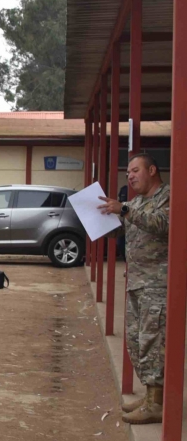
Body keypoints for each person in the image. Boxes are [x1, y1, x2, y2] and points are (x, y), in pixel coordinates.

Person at [98, 153, 169, 425]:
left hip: (158, 284)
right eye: (128, 172)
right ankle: (152, 396)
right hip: (136, 282)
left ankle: (157, 403)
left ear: (152, 170)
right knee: (136, 342)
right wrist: (101, 221)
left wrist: (124, 209)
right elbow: (121, 230)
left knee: (153, 343)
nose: (130, 176)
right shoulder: (136, 202)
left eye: (135, 170)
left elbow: (162, 224)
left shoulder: (167, 196)